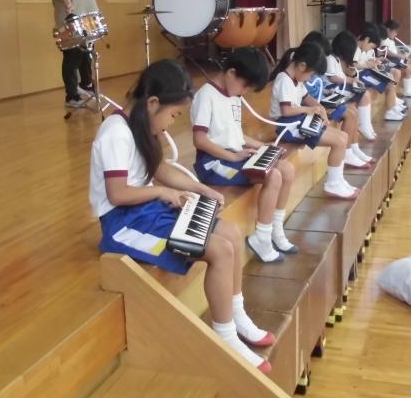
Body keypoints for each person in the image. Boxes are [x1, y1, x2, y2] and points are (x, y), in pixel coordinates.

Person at [90, 60, 273, 373]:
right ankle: (225, 336)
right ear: (153, 103)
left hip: (146, 210)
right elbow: (118, 194)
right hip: (123, 225)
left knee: (230, 234)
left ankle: (236, 313)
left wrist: (201, 188)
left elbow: (159, 169)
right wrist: (162, 192)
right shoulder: (116, 133)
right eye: (174, 114)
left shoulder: (139, 125)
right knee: (219, 250)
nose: (171, 124)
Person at [191, 48, 297, 263]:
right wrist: (232, 157)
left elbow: (236, 135)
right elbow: (200, 140)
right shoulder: (206, 95)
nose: (245, 91)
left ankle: (275, 229)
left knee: (286, 168)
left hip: (234, 156)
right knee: (273, 175)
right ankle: (262, 237)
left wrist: (263, 147)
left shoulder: (234, 95)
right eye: (245, 85)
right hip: (213, 163)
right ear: (231, 73)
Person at [269, 42, 358, 200]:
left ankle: (338, 180)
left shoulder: (297, 78)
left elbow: (307, 97)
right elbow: (286, 111)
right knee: (339, 141)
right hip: (287, 126)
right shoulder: (284, 80)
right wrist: (309, 110)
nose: (310, 78)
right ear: (302, 66)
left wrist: (320, 108)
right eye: (311, 75)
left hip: (297, 121)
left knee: (343, 137)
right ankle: (333, 184)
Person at [300, 31, 372, 169]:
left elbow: (311, 93)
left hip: (321, 101)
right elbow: (305, 97)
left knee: (353, 111)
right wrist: (318, 106)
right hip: (315, 106)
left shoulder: (314, 67)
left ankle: (354, 148)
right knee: (349, 113)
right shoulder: (300, 72)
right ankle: (348, 153)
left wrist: (323, 99)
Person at [355, 24, 406, 122]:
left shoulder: (364, 48)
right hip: (362, 75)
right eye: (371, 46)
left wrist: (375, 61)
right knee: (389, 85)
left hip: (367, 72)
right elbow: (355, 65)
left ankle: (392, 107)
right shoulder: (357, 48)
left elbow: (367, 60)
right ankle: (390, 111)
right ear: (366, 39)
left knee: (390, 81)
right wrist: (369, 64)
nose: (370, 49)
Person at [383, 19, 411, 97]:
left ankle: (407, 90)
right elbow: (387, 52)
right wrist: (400, 56)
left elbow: (394, 52)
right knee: (406, 69)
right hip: (389, 62)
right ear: (388, 30)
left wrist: (403, 56)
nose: (396, 34)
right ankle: (396, 94)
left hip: (395, 61)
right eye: (395, 31)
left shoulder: (391, 41)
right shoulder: (384, 40)